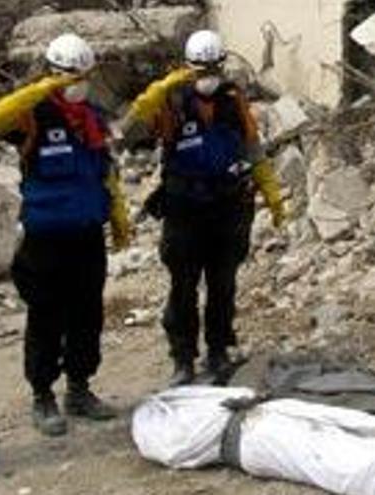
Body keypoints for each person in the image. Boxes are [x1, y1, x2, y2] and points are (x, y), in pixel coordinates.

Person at [0, 33, 131, 437]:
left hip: (86, 233)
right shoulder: (33, 114)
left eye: (85, 74)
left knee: (87, 314)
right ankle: (42, 394)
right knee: (46, 316)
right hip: (44, 238)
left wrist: (116, 211)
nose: (79, 82)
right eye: (70, 75)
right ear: (53, 74)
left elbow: (105, 169)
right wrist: (41, 89)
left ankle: (79, 388)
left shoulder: (93, 117)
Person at [118, 30, 285, 387]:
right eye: (200, 69)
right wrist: (162, 87)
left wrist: (271, 192)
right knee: (183, 287)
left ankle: (219, 350)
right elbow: (129, 127)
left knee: (223, 285)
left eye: (213, 68)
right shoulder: (171, 101)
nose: (207, 76)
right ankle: (182, 359)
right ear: (187, 68)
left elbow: (252, 147)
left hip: (228, 206)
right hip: (185, 209)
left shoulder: (232, 99)